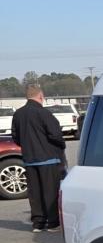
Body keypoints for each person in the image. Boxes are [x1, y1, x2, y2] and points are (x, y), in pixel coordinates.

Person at [11, 84, 67, 233]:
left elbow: (15, 137)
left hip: (29, 159)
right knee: (50, 191)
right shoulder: (44, 114)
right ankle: (53, 223)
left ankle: (38, 223)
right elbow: (56, 135)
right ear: (41, 96)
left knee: (34, 192)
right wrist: (60, 145)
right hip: (48, 159)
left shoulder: (18, 114)